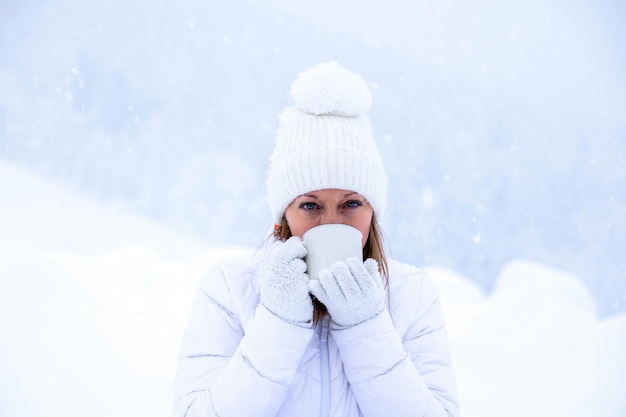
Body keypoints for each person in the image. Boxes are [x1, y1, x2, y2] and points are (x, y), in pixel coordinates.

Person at [172, 61, 459, 417]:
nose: (331, 222)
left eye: (351, 203)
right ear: (283, 217)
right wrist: (279, 321)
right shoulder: (229, 289)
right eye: (310, 205)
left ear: (374, 212)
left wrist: (366, 326)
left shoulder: (411, 296)